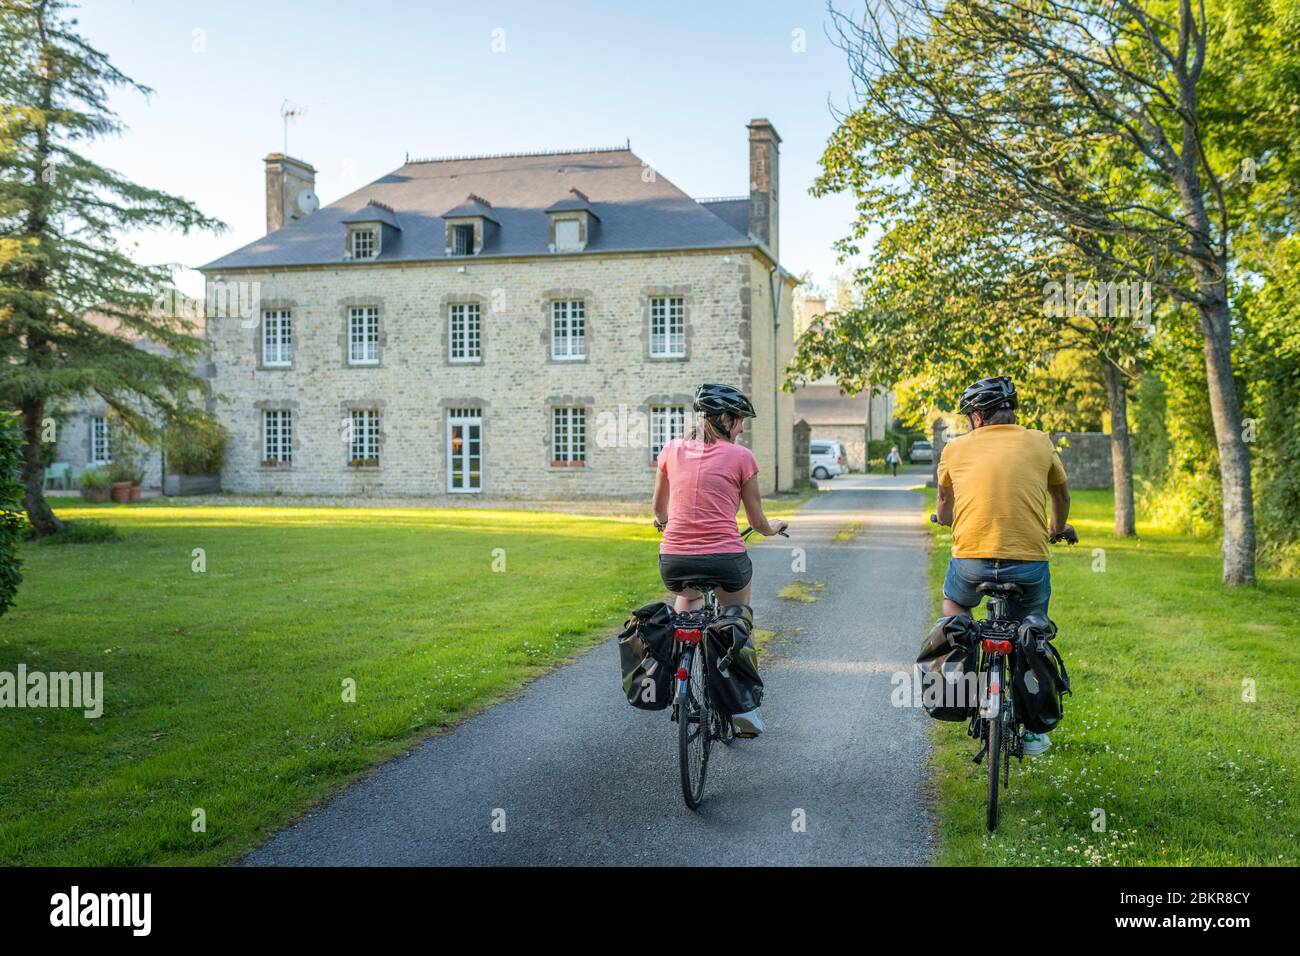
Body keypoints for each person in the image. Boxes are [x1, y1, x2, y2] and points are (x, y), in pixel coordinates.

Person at [933, 376, 1074, 756]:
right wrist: (1056, 529)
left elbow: (945, 502)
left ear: (977, 417)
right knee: (1030, 630)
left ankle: (959, 688)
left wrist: (944, 519)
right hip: (1028, 561)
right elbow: (1061, 494)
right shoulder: (1039, 441)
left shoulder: (955, 448)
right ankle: (1031, 731)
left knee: (954, 610)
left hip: (971, 563)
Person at [652, 383, 788, 736]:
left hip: (674, 559)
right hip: (725, 558)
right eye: (740, 420)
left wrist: (667, 525)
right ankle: (743, 711)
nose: (742, 428)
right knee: (737, 620)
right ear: (725, 418)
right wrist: (772, 529)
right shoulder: (742, 458)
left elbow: (658, 509)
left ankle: (679, 660)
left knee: (688, 597)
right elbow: (757, 522)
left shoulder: (670, 450)